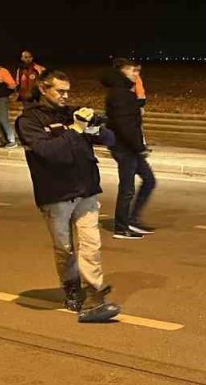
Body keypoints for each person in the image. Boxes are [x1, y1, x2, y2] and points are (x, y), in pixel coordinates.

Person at [16, 70, 121, 322]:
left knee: (91, 245)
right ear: (43, 88)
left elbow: (111, 139)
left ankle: (96, 296)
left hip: (85, 189)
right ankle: (72, 288)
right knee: (65, 249)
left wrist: (95, 126)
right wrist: (74, 129)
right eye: (59, 91)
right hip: (56, 194)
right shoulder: (28, 121)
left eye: (67, 91)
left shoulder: (73, 113)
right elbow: (47, 151)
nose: (65, 96)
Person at [102, 58, 156, 239]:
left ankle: (132, 220)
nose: (137, 75)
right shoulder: (120, 93)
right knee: (127, 188)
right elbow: (124, 125)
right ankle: (121, 227)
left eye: (138, 71)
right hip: (124, 147)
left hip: (130, 146)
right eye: (133, 71)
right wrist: (139, 147)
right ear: (122, 71)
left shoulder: (125, 91)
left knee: (149, 180)